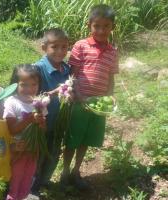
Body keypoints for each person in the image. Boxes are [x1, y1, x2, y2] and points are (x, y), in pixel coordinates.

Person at [61, 4, 119, 190]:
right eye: (97, 26)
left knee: (86, 140)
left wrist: (110, 97)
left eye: (106, 26)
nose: (101, 30)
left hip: (98, 105)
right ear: (89, 25)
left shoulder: (113, 52)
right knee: (72, 139)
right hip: (79, 102)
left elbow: (111, 78)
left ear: (112, 27)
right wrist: (79, 96)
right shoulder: (81, 46)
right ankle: (64, 172)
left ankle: (76, 171)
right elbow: (73, 75)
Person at [31, 28, 70, 195]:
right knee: (37, 155)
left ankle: (44, 180)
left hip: (58, 122)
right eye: (55, 47)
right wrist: (54, 93)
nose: (60, 51)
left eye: (64, 47)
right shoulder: (37, 69)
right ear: (44, 47)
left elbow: (68, 90)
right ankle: (31, 187)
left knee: (53, 152)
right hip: (40, 124)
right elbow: (31, 96)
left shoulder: (66, 69)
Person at [3, 64, 46, 200]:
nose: (29, 89)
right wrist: (29, 120)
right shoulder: (11, 102)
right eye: (24, 85)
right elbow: (12, 129)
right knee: (15, 178)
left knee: (28, 177)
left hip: (33, 150)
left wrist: (41, 123)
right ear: (15, 84)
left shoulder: (40, 102)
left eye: (34, 84)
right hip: (17, 150)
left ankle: (23, 196)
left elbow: (43, 129)